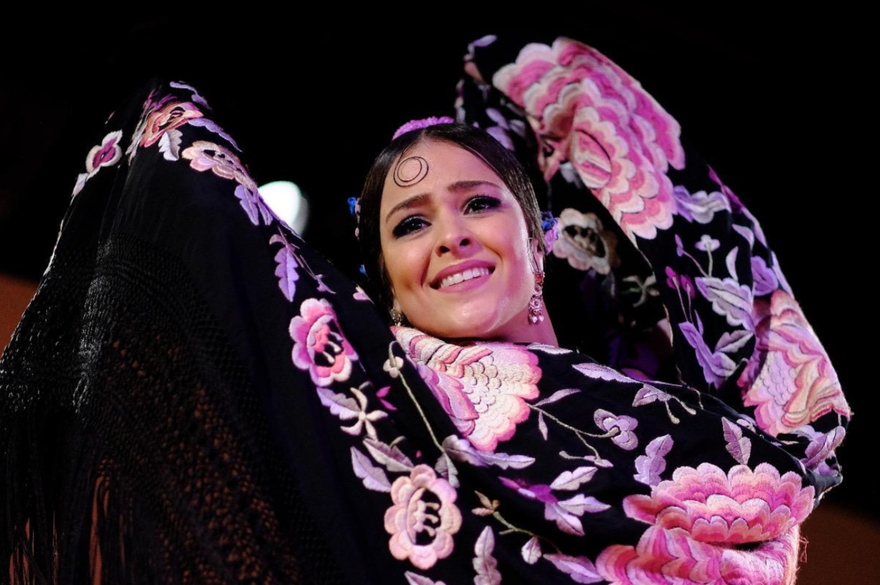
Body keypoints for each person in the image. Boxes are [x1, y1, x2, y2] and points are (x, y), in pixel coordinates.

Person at [0, 36, 849, 585]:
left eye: (478, 202)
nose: (450, 235)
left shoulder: (707, 443)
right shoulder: (360, 397)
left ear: (540, 239)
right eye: (410, 223)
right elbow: (186, 180)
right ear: (384, 283)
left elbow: (729, 285)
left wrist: (545, 82)